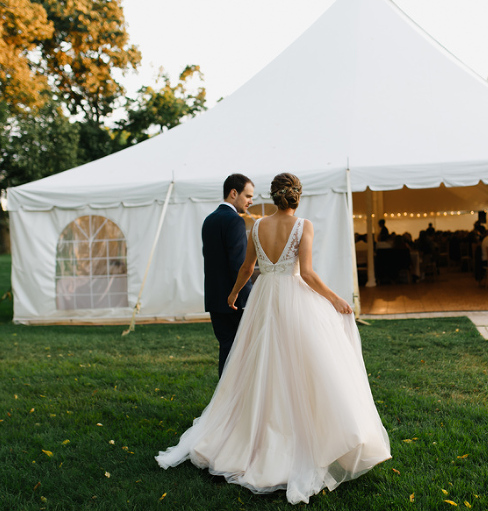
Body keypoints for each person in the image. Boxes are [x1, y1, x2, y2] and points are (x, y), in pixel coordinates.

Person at [156, 173, 391, 504]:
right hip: (294, 299)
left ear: (273, 195)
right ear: (297, 196)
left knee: (260, 363)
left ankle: (252, 431)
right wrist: (335, 298)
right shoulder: (304, 226)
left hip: (263, 299)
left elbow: (247, 268)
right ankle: (309, 434)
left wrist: (233, 293)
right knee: (304, 363)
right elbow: (306, 273)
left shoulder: (256, 226)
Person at [201, 173, 255, 378]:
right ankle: (235, 395)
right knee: (241, 351)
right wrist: (248, 298)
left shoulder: (209, 220)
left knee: (226, 348)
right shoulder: (234, 221)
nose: (250, 201)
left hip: (214, 298)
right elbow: (239, 265)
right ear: (234, 193)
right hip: (234, 301)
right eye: (248, 196)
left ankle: (224, 394)